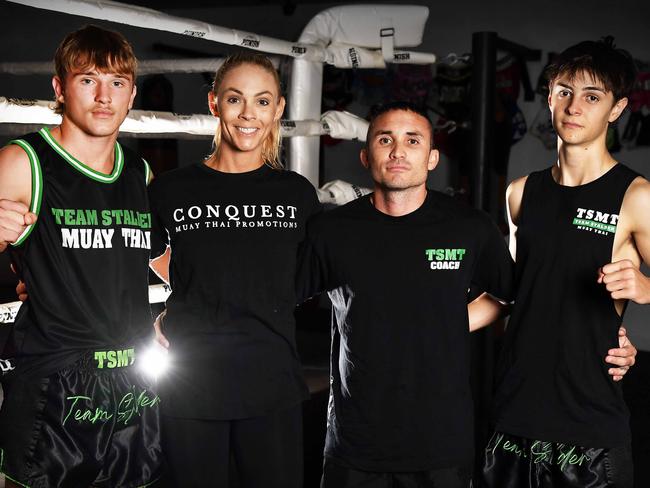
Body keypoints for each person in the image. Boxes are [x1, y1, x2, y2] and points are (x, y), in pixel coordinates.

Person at [147, 52, 321, 487]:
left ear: (279, 109)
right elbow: (141, 253)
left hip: (271, 381)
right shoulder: (170, 189)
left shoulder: (296, 194)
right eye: (234, 99)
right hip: (191, 383)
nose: (248, 114)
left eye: (263, 102)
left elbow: (306, 274)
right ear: (213, 103)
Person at [481, 38, 648, 487]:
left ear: (616, 109)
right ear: (550, 96)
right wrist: (423, 321)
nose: (575, 106)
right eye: (564, 92)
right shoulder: (520, 192)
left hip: (588, 426)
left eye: (593, 96)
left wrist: (646, 288)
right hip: (513, 415)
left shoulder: (636, 196)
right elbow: (513, 295)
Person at [0, 25, 161, 487]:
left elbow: (155, 266)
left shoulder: (140, 172)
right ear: (60, 88)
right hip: (55, 383)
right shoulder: (23, 160)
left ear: (132, 95)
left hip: (135, 381)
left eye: (117, 83)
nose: (104, 96)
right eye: (88, 79)